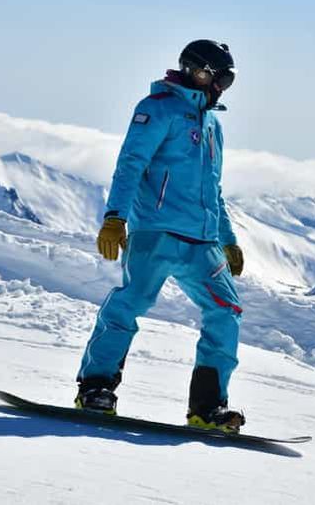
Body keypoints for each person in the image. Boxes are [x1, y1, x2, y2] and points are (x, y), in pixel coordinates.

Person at [75, 39, 246, 433]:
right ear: (196, 71)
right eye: (219, 77)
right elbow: (130, 163)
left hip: (202, 241)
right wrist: (115, 217)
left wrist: (228, 239)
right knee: (130, 303)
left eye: (228, 80)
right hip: (156, 230)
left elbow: (213, 190)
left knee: (226, 312)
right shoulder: (158, 109)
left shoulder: (212, 124)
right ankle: (95, 388)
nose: (221, 86)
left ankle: (207, 409)